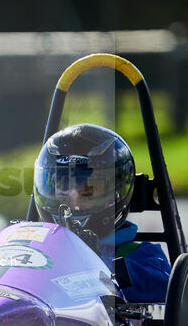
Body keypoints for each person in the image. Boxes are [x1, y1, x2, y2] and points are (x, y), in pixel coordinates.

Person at [33, 123, 170, 303]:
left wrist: (95, 261)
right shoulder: (36, 249)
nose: (73, 198)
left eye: (87, 188)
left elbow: (161, 286)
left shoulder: (139, 255)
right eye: (63, 186)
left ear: (116, 193)